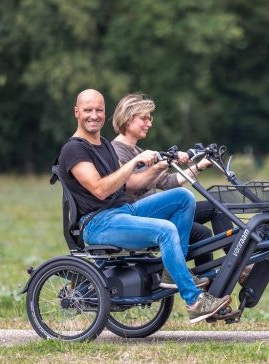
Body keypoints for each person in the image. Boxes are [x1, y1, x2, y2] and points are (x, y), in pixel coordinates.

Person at [56, 88, 231, 323]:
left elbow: (132, 183)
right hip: (98, 223)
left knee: (182, 197)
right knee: (165, 229)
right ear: (77, 112)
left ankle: (171, 271)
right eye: (88, 110)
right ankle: (195, 301)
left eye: (99, 110)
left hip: (122, 211)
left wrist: (158, 165)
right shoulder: (73, 149)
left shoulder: (105, 146)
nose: (94, 115)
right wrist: (135, 161)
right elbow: (100, 188)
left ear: (104, 112)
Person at [110, 94, 234, 272]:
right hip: (141, 217)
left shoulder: (138, 150)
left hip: (157, 211)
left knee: (216, 207)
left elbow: (169, 182)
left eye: (150, 118)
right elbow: (128, 185)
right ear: (127, 119)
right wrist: (162, 164)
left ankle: (219, 275)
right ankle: (228, 269)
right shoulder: (117, 151)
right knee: (203, 231)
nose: (149, 123)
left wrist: (199, 166)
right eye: (144, 118)